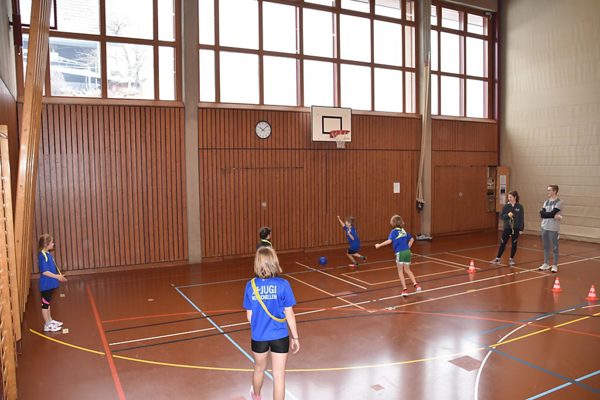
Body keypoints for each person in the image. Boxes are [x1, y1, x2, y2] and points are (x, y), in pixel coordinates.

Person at [243, 247, 300, 400]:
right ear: (274, 262)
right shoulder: (283, 284)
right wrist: (295, 337)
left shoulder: (250, 286)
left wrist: (261, 325)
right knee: (279, 376)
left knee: (259, 369)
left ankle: (256, 395)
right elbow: (289, 314)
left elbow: (249, 316)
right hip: (280, 336)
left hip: (259, 337)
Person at [375, 215, 421, 297]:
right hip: (407, 252)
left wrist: (379, 245)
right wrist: (407, 248)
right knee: (407, 270)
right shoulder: (403, 231)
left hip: (400, 253)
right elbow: (412, 239)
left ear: (393, 223)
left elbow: (389, 241)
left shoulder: (393, 232)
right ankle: (416, 285)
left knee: (400, 271)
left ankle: (405, 290)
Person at [38, 234, 67, 332]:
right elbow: (45, 272)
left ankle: (50, 321)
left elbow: (51, 268)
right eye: (51, 242)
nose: (53, 244)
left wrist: (59, 275)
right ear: (46, 244)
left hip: (49, 284)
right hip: (45, 285)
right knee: (45, 305)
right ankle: (47, 325)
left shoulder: (47, 254)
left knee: (48, 303)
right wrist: (57, 277)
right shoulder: (42, 256)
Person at [490, 190, 525, 266]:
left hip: (516, 228)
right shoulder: (506, 206)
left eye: (511, 197)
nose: (509, 198)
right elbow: (501, 217)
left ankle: (511, 259)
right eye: (508, 197)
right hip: (507, 228)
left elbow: (521, 218)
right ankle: (497, 258)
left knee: (514, 244)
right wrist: (507, 215)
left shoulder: (520, 207)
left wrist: (521, 229)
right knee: (503, 243)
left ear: (515, 197)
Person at [538, 185, 563, 273]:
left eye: (549, 190)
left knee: (555, 247)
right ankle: (546, 263)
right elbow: (542, 214)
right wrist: (552, 215)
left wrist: (548, 214)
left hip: (553, 228)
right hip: (544, 226)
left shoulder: (559, 202)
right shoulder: (546, 202)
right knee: (546, 246)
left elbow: (551, 213)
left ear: (554, 191)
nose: (548, 192)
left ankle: (555, 265)